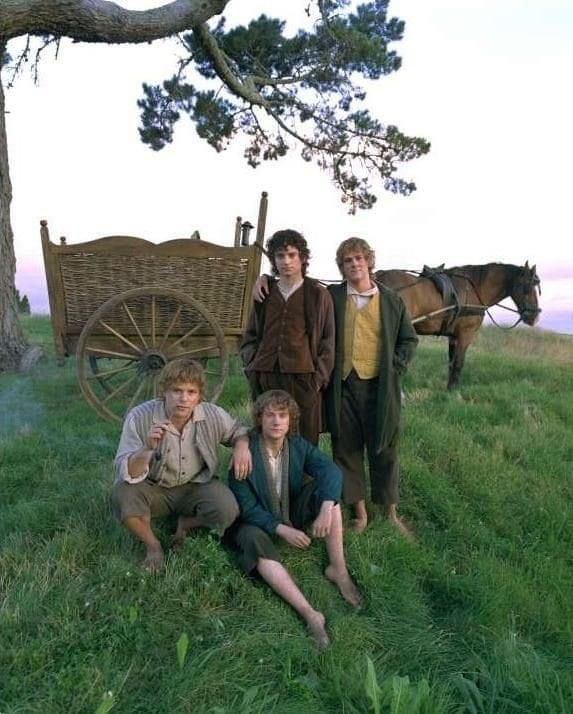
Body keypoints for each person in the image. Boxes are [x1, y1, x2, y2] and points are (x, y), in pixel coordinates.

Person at [228, 390, 361, 649]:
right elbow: (246, 507)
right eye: (270, 415)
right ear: (259, 419)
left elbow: (331, 470)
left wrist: (325, 507)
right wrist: (281, 530)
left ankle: (338, 569)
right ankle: (310, 614)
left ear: (290, 421)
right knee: (253, 540)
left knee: (329, 496)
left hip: (290, 509)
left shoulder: (297, 445)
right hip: (256, 523)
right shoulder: (246, 453)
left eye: (282, 416)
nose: (277, 421)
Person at [112, 357, 252, 571]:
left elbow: (239, 431)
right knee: (122, 495)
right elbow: (126, 471)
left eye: (191, 392)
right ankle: (153, 546)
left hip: (196, 484)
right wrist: (147, 449)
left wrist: (241, 446)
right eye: (177, 391)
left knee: (227, 509)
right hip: (153, 486)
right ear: (164, 392)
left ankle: (185, 524)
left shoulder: (212, 414)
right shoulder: (139, 417)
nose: (183, 399)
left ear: (199, 396)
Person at [324, 238, 418, 536]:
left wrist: (395, 368)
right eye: (348, 261)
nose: (354, 264)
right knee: (345, 447)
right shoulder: (332, 296)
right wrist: (264, 277)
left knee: (385, 447)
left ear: (368, 262)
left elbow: (409, 339)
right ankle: (360, 513)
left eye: (359, 259)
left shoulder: (391, 300)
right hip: (343, 385)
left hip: (380, 387)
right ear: (342, 267)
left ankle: (390, 512)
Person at [239, 229, 334, 445]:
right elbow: (251, 335)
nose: (286, 261)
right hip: (266, 375)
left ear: (302, 258)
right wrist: (251, 364)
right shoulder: (264, 292)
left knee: (304, 441)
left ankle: (302, 480)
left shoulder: (318, 294)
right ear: (274, 260)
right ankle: (269, 479)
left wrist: (318, 379)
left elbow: (328, 342)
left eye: (292, 255)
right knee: (266, 438)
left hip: (304, 379)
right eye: (280, 256)